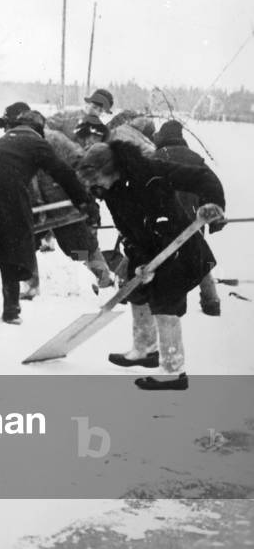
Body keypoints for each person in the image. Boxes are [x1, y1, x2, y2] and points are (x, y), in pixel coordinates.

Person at [76, 141, 225, 390]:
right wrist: (138, 259)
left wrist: (213, 204)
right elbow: (126, 229)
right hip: (148, 249)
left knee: (166, 304)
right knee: (136, 291)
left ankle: (173, 372)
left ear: (112, 168)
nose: (95, 186)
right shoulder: (111, 192)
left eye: (97, 178)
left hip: (179, 246)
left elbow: (202, 177)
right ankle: (145, 349)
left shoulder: (152, 170)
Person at [0, 109, 95, 324]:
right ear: (39, 129)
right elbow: (62, 172)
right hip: (7, 182)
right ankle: (11, 309)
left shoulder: (3, 138)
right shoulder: (37, 142)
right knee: (12, 243)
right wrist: (83, 200)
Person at [152, 120, 221, 316]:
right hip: (194, 220)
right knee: (201, 260)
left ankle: (170, 308)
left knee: (167, 263)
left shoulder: (156, 158)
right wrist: (215, 218)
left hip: (164, 222)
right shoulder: (196, 159)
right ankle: (211, 302)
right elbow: (213, 187)